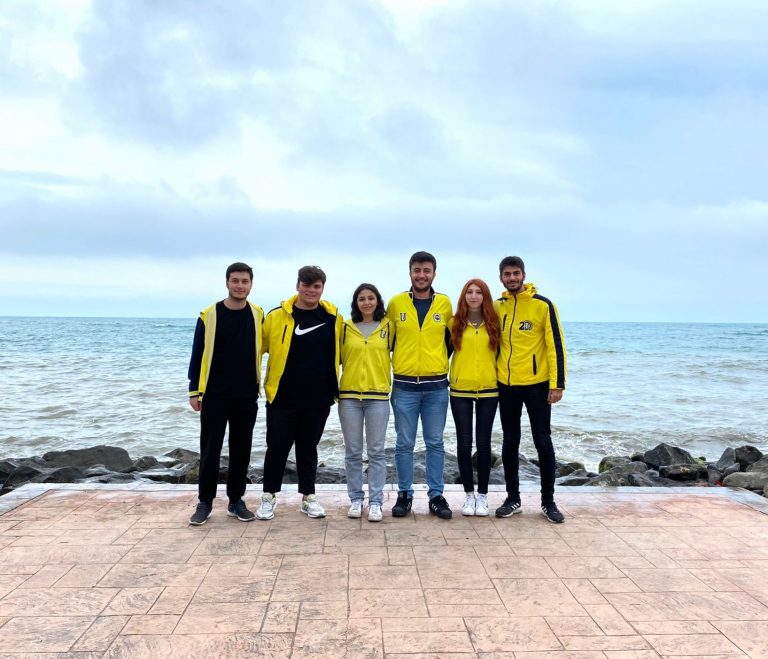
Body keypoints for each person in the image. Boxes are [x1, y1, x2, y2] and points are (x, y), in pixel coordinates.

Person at [256, 265, 343, 521]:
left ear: (322, 288)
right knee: (277, 448)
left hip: (318, 397)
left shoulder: (333, 317)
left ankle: (308, 497)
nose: (311, 290)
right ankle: (268, 496)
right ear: (297, 286)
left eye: (316, 286)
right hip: (282, 396)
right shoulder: (276, 316)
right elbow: (254, 351)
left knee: (308, 449)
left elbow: (346, 351)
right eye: (306, 285)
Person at [187, 262, 263, 525]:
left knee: (241, 450)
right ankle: (205, 502)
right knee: (210, 450)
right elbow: (197, 354)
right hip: (214, 395)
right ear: (227, 283)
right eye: (235, 281)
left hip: (246, 395)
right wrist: (194, 391)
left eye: (245, 281)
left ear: (251, 284)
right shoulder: (209, 314)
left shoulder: (257, 314)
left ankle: (235, 501)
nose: (240, 286)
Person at [494, 256, 567, 523]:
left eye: (516, 273)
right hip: (506, 386)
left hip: (537, 386)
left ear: (523, 275)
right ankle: (512, 499)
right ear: (501, 278)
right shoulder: (498, 306)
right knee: (510, 441)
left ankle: (548, 502)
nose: (512, 278)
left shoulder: (542, 305)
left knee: (542, 442)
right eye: (507, 274)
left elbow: (555, 345)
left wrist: (557, 384)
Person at [387, 251, 454, 519]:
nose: (421, 275)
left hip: (436, 388)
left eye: (426, 270)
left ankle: (436, 496)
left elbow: (451, 341)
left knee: (435, 443)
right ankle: (404, 495)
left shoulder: (445, 304)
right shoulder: (396, 303)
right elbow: (387, 340)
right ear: (410, 272)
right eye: (417, 270)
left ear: (434, 273)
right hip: (404, 388)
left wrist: (435, 363)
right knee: (404, 444)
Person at [338, 284, 395, 523]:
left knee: (376, 452)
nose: (367, 302)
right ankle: (355, 499)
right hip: (349, 397)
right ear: (356, 303)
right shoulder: (345, 328)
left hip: (378, 398)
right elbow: (335, 359)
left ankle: (375, 502)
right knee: (352, 451)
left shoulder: (388, 327)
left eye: (371, 298)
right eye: (362, 299)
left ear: (378, 301)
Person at [448, 279, 501, 517]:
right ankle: (468, 496)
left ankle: (483, 497)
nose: (473, 296)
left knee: (484, 444)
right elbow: (442, 353)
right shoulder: (454, 323)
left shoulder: (494, 323)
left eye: (478, 292)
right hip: (460, 390)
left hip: (489, 390)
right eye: (469, 292)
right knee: (464, 443)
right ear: (463, 296)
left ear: (485, 296)